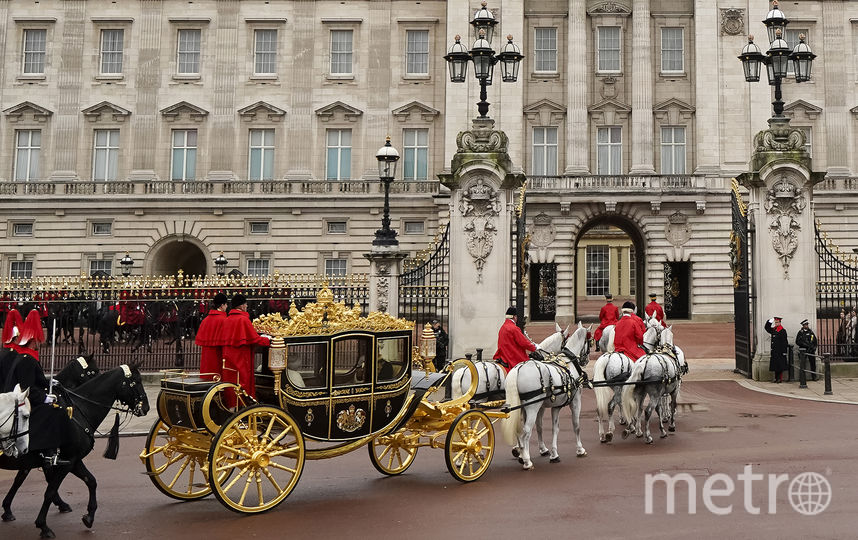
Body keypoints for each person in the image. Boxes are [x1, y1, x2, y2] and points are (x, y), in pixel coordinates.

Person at [2, 310, 70, 465]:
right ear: (32, 340)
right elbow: (29, 389)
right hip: (22, 401)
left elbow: (35, 381)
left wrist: (48, 383)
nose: (39, 343)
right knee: (55, 409)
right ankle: (48, 451)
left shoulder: (24, 356)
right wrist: (45, 397)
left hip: (21, 398)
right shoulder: (27, 359)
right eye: (37, 340)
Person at [222, 294, 270, 405]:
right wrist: (268, 340)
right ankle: (244, 405)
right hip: (242, 357)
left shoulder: (227, 319)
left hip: (228, 357)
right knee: (243, 382)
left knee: (231, 382)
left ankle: (232, 405)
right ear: (242, 306)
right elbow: (254, 339)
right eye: (245, 304)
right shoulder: (243, 319)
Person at [492, 306, 537, 372]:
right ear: (514, 317)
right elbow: (523, 343)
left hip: (503, 355)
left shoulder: (503, 327)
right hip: (512, 356)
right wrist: (534, 347)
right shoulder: (514, 328)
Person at [196, 293, 229, 380]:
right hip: (219, 355)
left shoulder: (206, 320)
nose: (227, 306)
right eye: (226, 304)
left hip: (206, 358)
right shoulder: (224, 320)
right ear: (222, 305)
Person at [764, 316, 789, 383]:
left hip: (780, 351)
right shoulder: (774, 329)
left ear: (780, 322)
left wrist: (784, 351)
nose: (776, 323)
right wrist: (770, 321)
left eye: (777, 322)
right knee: (775, 365)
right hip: (774, 351)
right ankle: (776, 377)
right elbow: (767, 328)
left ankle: (779, 378)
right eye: (775, 322)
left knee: (779, 366)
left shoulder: (782, 331)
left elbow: (784, 342)